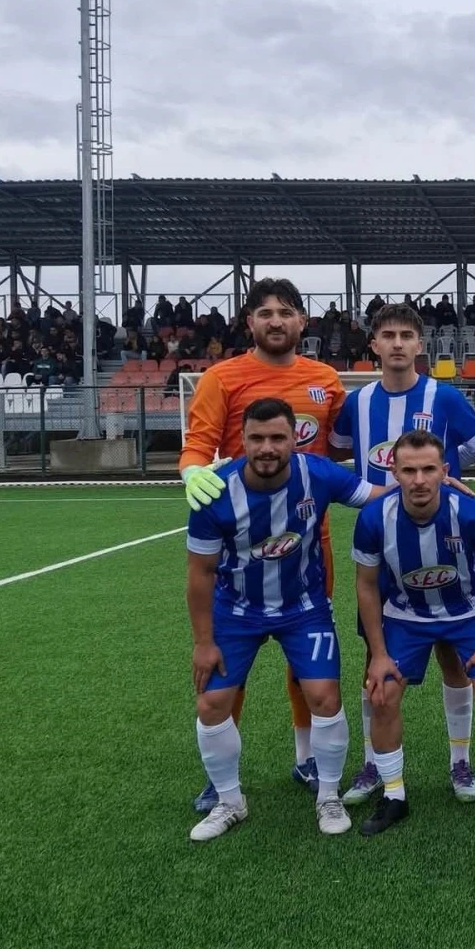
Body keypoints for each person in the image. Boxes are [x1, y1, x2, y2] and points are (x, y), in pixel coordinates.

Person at [329, 302, 475, 806]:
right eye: (388, 335)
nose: (398, 343)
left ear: (419, 344)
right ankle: (373, 764)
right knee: (376, 660)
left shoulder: (444, 397)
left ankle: (460, 763)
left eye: (407, 335)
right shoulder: (357, 402)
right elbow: (333, 454)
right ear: (374, 345)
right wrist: (365, 494)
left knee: (455, 659)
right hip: (386, 548)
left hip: (445, 543)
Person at [180, 278, 347, 813]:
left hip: (309, 545)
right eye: (265, 312)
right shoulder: (221, 378)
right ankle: (221, 779)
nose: (276, 320)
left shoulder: (325, 380)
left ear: (302, 322)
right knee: (230, 664)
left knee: (307, 662)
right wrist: (191, 474)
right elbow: (197, 447)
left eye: (286, 312)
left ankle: (308, 757)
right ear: (249, 321)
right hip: (240, 550)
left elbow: (340, 452)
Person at [185, 397, 383, 842]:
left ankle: (328, 795)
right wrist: (203, 642)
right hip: (236, 610)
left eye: (277, 437)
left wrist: (435, 485)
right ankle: (229, 801)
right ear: (242, 441)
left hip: (303, 607)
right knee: (211, 704)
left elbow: (376, 497)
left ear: (295, 439)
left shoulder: (319, 474)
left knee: (324, 696)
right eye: (256, 438)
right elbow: (199, 574)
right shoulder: (216, 491)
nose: (267, 448)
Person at [353, 430, 475, 838]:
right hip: (406, 615)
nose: (419, 480)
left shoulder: (471, 513)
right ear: (394, 473)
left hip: (467, 611)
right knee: (381, 692)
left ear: (444, 471)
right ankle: (394, 794)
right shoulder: (374, 518)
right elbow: (366, 586)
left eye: (428, 469)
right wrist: (378, 654)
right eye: (409, 471)